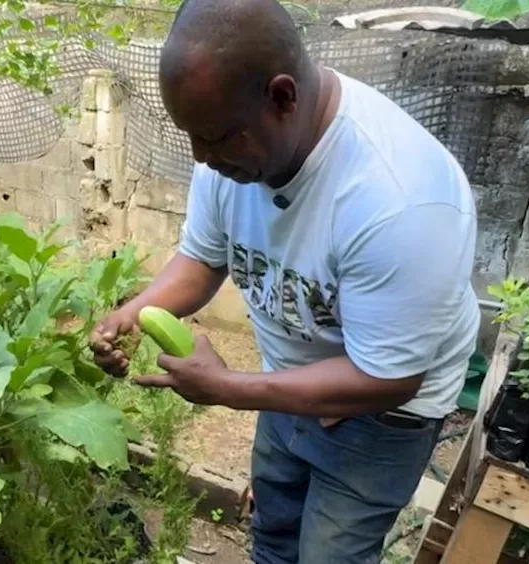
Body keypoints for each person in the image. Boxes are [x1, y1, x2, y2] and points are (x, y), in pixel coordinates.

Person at [88, 0, 480, 561]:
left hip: (382, 416)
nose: (203, 157)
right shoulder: (228, 153)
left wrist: (231, 390)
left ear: (282, 96)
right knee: (273, 535)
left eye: (218, 137)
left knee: (329, 556)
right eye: (192, 137)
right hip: (287, 383)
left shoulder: (400, 199)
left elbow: (389, 378)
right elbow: (201, 261)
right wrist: (135, 311)